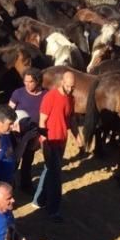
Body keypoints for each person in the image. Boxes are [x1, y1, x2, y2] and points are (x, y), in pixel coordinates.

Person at [34, 71, 83, 223]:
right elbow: (42, 121)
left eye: (72, 87)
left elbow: (71, 119)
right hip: (50, 141)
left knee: (49, 169)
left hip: (62, 140)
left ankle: (38, 200)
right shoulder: (51, 97)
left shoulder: (71, 99)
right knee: (56, 176)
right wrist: (43, 141)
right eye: (68, 86)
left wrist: (77, 136)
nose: (70, 89)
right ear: (62, 82)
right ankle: (53, 210)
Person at [8, 69, 45, 191]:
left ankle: (25, 185)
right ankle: (9, 184)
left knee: (28, 160)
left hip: (33, 133)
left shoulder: (45, 95)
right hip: (17, 133)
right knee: (14, 159)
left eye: (30, 82)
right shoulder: (18, 93)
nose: (27, 84)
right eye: (25, 81)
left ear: (38, 81)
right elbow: (8, 111)